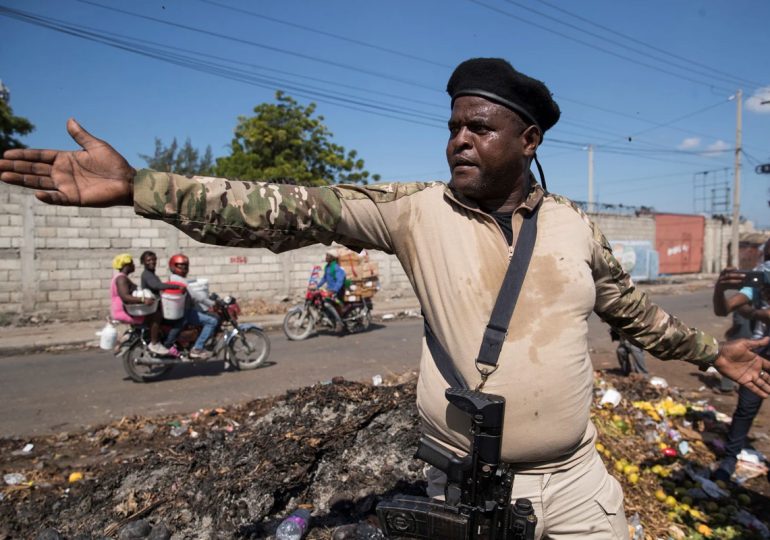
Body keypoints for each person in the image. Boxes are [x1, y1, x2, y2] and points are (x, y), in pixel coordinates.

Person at [3, 58, 769, 539]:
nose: (458, 140)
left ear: (529, 140)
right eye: (452, 127)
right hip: (464, 493)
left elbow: (635, 314)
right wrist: (143, 187)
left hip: (576, 487)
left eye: (480, 127)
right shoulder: (412, 211)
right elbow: (284, 207)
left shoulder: (575, 227)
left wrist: (713, 351)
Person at [711, 242, 770, 482]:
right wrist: (719, 289)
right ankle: (730, 458)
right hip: (761, 352)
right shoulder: (758, 281)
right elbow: (722, 309)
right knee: (746, 408)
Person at [109, 253, 168, 355]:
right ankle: (154, 344)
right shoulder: (121, 279)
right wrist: (143, 300)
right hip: (124, 312)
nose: (134, 265)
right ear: (126, 265)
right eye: (132, 263)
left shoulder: (120, 277)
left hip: (125, 309)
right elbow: (125, 296)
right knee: (156, 315)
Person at [164, 253, 220, 360]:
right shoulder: (179, 279)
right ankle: (197, 349)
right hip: (185, 311)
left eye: (185, 266)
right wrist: (211, 303)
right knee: (212, 321)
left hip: (181, 309)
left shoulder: (175, 277)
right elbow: (195, 296)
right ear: (173, 266)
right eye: (180, 266)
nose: (184, 268)